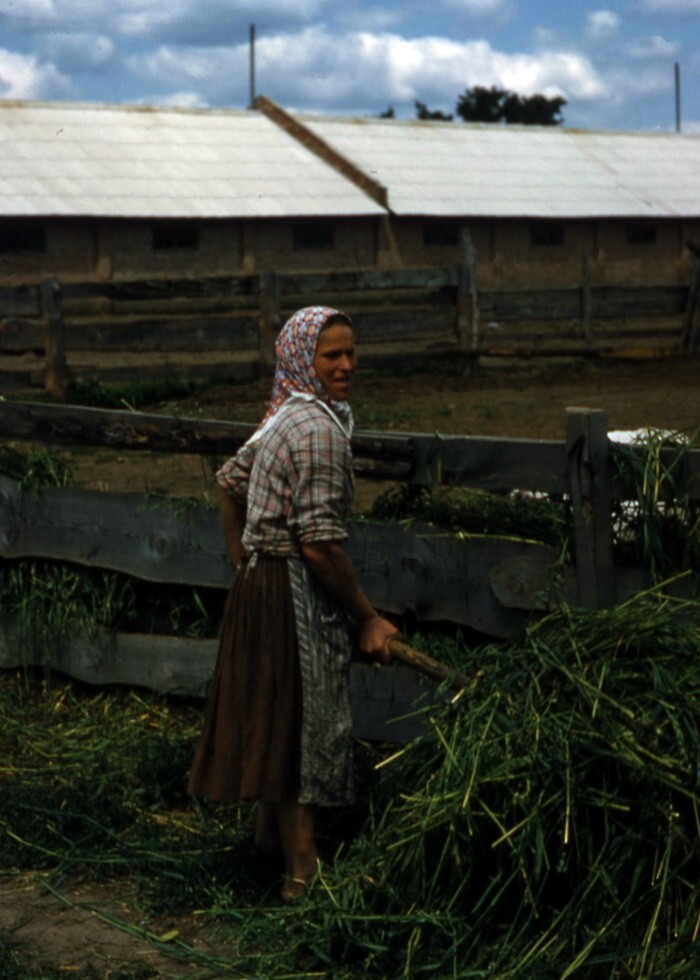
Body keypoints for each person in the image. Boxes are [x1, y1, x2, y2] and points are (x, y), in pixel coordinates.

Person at [187, 306, 398, 901]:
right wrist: (368, 617)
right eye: (331, 355)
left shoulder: (285, 417)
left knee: (273, 719)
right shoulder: (317, 431)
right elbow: (321, 546)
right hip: (286, 593)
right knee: (298, 728)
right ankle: (301, 880)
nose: (346, 365)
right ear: (302, 360)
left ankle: (263, 850)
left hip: (264, 584)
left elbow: (229, 483)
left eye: (351, 353)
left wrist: (243, 564)